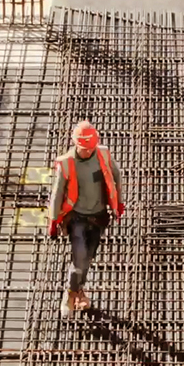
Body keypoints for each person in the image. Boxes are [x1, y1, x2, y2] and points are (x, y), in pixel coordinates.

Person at [47, 121, 125, 317]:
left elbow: (117, 175)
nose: (87, 152)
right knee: (79, 258)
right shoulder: (66, 163)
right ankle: (70, 295)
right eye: (83, 148)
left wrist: (119, 202)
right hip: (77, 218)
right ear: (76, 144)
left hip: (98, 217)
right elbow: (57, 194)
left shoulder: (103, 154)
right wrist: (53, 220)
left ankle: (79, 291)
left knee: (87, 258)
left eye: (90, 148)